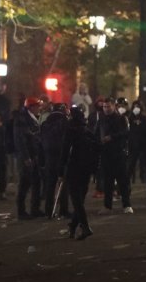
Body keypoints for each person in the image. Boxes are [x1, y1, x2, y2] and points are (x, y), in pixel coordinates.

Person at [59, 105, 99, 240]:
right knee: (79, 200)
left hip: (74, 168)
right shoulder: (87, 132)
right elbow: (97, 148)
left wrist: (60, 170)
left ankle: (85, 226)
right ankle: (73, 225)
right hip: (86, 170)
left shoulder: (70, 131)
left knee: (76, 200)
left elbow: (65, 150)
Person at [98, 96, 133, 214]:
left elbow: (126, 133)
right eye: (104, 107)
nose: (106, 109)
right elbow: (96, 133)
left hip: (119, 154)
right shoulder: (101, 120)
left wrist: (111, 137)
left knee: (123, 181)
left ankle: (127, 205)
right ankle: (107, 206)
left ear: (113, 106)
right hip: (106, 155)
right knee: (107, 182)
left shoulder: (121, 119)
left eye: (108, 106)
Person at [14, 96, 45, 219]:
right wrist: (26, 157)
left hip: (34, 154)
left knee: (36, 182)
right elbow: (20, 140)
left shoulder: (32, 118)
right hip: (27, 156)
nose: (39, 109)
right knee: (24, 183)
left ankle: (35, 208)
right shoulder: (22, 120)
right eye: (37, 106)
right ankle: (21, 211)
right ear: (31, 107)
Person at [40, 102, 69, 216]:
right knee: (63, 184)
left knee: (50, 184)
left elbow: (41, 141)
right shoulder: (65, 122)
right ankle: (63, 210)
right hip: (61, 156)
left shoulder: (45, 123)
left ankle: (48, 210)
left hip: (49, 157)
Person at [127, 100, 146, 185]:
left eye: (138, 107)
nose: (136, 108)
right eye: (134, 106)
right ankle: (125, 185)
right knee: (130, 165)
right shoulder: (129, 119)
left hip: (144, 146)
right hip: (133, 146)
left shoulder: (145, 119)